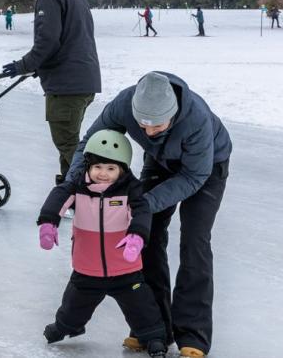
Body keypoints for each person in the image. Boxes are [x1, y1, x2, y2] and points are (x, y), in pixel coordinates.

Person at [66, 72, 232, 358]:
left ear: (173, 114)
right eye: (142, 125)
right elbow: (89, 145)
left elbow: (194, 176)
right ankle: (153, 328)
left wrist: (143, 202)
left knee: (195, 242)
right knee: (147, 235)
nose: (148, 131)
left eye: (157, 125)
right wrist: (73, 187)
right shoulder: (123, 103)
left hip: (207, 168)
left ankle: (193, 334)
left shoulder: (196, 119)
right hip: (160, 160)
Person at [37, 129, 168, 358]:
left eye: (111, 168)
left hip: (125, 268)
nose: (103, 174)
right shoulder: (77, 186)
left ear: (122, 169)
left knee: (142, 308)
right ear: (88, 166)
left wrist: (137, 236)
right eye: (97, 167)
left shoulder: (130, 190)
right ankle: (66, 327)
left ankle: (155, 337)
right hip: (87, 269)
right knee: (72, 307)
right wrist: (48, 224)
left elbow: (142, 212)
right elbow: (58, 197)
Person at [1, 0, 101, 186]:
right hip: (83, 81)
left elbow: (47, 43)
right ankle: (71, 192)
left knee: (68, 144)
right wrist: (39, 67)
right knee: (70, 141)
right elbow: (68, 41)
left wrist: (22, 65)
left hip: (67, 87)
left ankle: (99, 189)